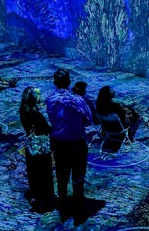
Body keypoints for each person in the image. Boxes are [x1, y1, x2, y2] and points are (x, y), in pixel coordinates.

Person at [45, 69, 93, 219]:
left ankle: (63, 207)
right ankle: (79, 207)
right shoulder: (78, 100)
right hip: (77, 144)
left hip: (58, 143)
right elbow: (89, 121)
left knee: (61, 176)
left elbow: (51, 119)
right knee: (78, 176)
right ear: (69, 82)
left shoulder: (50, 99)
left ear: (54, 82)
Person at [19, 86, 55, 213]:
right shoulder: (37, 114)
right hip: (41, 146)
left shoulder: (23, 110)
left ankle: (35, 196)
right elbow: (47, 128)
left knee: (33, 172)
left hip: (30, 145)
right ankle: (45, 199)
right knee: (44, 172)